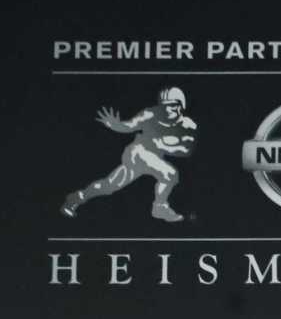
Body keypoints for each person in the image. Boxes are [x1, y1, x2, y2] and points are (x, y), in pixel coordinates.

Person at [62, 88, 197, 222]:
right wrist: (116, 125)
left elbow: (186, 151)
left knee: (108, 186)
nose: (168, 109)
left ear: (181, 105)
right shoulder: (150, 114)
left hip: (153, 158)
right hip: (138, 152)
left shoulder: (188, 125)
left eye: (172, 105)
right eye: (165, 106)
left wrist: (163, 146)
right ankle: (159, 207)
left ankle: (77, 198)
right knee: (170, 173)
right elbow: (129, 125)